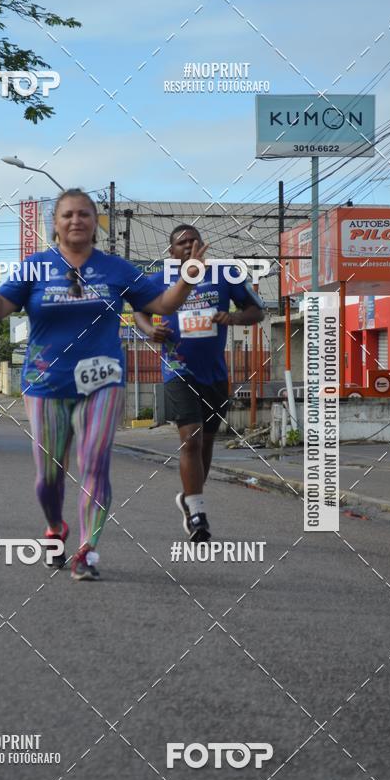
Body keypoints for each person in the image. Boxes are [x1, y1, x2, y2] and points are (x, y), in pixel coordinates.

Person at [0, 188, 208, 580]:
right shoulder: (35, 267)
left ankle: (86, 551)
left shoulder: (116, 269)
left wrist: (188, 278)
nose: (76, 220)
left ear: (96, 223)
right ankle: (56, 528)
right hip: (46, 382)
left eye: (84, 214)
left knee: (95, 463)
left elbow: (161, 305)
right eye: (67, 215)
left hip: (104, 379)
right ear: (56, 226)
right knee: (48, 475)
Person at [134, 224, 265, 543]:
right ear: (171, 252)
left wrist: (232, 318)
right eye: (182, 242)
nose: (189, 245)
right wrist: (150, 331)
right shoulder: (159, 279)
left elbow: (256, 311)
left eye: (195, 240)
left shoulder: (225, 275)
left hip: (215, 374)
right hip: (177, 369)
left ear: (203, 245)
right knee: (190, 439)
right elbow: (140, 310)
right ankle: (198, 514)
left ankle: (190, 499)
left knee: (205, 444)